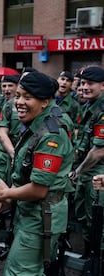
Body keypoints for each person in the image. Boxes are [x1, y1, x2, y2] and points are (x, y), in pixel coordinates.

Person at [0, 72, 73, 275]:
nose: (19, 102)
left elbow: (38, 189)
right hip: (30, 212)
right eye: (18, 96)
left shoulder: (51, 135)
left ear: (45, 102)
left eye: (27, 98)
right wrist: (9, 197)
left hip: (40, 216)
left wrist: (6, 194)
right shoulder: (34, 125)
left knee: (20, 271)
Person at [69, 66, 104, 259]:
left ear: (103, 86)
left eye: (89, 84)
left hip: (97, 173)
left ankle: (97, 259)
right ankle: (90, 254)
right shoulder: (88, 106)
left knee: (97, 220)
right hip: (86, 171)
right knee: (84, 216)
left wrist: (78, 171)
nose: (84, 87)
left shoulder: (102, 110)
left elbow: (98, 152)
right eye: (82, 83)